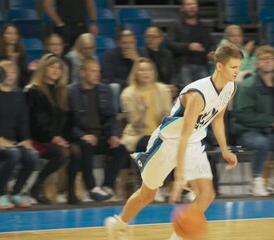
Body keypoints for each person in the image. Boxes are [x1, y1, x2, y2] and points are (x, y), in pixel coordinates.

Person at [104, 42, 241, 240]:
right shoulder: (197, 95)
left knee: (207, 193)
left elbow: (218, 118)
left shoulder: (230, 87)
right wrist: (179, 177)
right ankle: (118, 225)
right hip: (168, 143)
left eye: (238, 66)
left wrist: (225, 150)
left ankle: (178, 237)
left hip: (193, 142)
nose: (238, 71)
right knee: (147, 195)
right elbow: (183, 135)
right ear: (219, 66)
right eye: (233, 67)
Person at [231, 45, 274, 196]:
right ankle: (256, 181)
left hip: (270, 133)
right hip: (246, 131)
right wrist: (270, 121)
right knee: (262, 143)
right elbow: (241, 114)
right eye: (263, 59)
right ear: (256, 63)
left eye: (270, 58)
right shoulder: (246, 86)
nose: (268, 62)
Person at [68, 58, 128, 201]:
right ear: (82, 73)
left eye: (98, 71)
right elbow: (68, 123)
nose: (97, 74)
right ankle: (92, 187)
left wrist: (113, 135)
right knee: (86, 146)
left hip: (101, 137)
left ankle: (108, 185)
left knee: (122, 150)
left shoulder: (104, 90)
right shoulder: (72, 92)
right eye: (93, 71)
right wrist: (82, 135)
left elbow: (111, 117)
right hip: (82, 138)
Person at [25, 54, 80, 204]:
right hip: (38, 138)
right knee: (62, 153)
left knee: (76, 150)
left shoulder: (62, 92)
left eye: (59, 68)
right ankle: (37, 185)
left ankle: (70, 190)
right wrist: (53, 137)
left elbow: (68, 120)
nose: (56, 70)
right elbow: (37, 121)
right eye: (52, 67)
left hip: (57, 138)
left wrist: (65, 138)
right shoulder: (34, 91)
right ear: (43, 69)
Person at [120, 58, 173, 202]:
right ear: (136, 73)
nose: (146, 73)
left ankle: (173, 187)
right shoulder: (128, 94)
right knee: (150, 144)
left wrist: (165, 117)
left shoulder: (162, 90)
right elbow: (137, 126)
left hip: (160, 133)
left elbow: (168, 118)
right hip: (138, 135)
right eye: (142, 70)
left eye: (148, 69)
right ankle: (153, 188)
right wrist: (143, 111)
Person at [0, 60, 38, 209]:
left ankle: (16, 192)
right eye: (6, 73)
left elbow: (24, 120)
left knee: (31, 156)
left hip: (12, 142)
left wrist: (26, 140)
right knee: (14, 154)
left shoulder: (18, 94)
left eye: (13, 72)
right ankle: (0, 193)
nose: (10, 76)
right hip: (1, 143)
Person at [167, 0, 212, 88]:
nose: (191, 7)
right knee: (189, 93)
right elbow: (170, 44)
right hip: (183, 65)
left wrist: (211, 52)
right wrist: (188, 47)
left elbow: (210, 44)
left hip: (202, 64)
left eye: (194, 4)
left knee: (206, 93)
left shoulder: (204, 27)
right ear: (182, 8)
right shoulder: (176, 26)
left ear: (197, 7)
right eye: (188, 4)